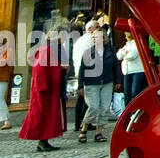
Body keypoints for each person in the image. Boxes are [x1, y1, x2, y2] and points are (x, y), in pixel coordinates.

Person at [20, 19, 68, 151]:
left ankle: (44, 141)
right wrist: (42, 87)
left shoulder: (48, 49)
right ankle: (42, 141)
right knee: (43, 116)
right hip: (45, 90)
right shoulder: (46, 49)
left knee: (46, 116)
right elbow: (39, 70)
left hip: (48, 88)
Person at [77, 20, 118, 142]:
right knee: (94, 107)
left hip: (107, 82)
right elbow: (82, 69)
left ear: (104, 38)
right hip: (91, 83)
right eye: (93, 37)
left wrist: (118, 81)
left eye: (97, 37)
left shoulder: (110, 50)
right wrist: (80, 86)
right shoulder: (88, 52)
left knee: (104, 108)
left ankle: (99, 133)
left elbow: (115, 66)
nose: (94, 39)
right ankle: (84, 128)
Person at [117, 30, 148, 105]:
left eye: (126, 32)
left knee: (135, 92)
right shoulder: (127, 45)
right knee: (127, 93)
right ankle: (128, 112)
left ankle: (136, 111)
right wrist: (125, 52)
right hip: (127, 71)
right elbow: (118, 56)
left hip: (138, 70)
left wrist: (124, 54)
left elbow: (132, 56)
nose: (125, 34)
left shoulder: (138, 42)